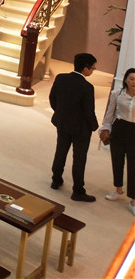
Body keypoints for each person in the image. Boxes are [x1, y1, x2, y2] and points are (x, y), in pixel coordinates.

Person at [49, 52, 99, 202]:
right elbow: (89, 111)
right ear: (85, 68)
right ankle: (78, 191)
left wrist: (60, 113)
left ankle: (56, 180)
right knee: (79, 159)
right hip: (81, 129)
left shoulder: (60, 78)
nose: (93, 71)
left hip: (62, 123)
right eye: (93, 68)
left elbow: (52, 98)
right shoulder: (87, 87)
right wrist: (95, 126)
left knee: (60, 151)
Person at [100, 67, 135, 214]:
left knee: (133, 165)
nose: (134, 82)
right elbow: (109, 114)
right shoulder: (117, 94)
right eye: (131, 79)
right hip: (119, 129)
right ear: (126, 80)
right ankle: (118, 190)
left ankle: (133, 201)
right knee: (117, 160)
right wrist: (105, 129)